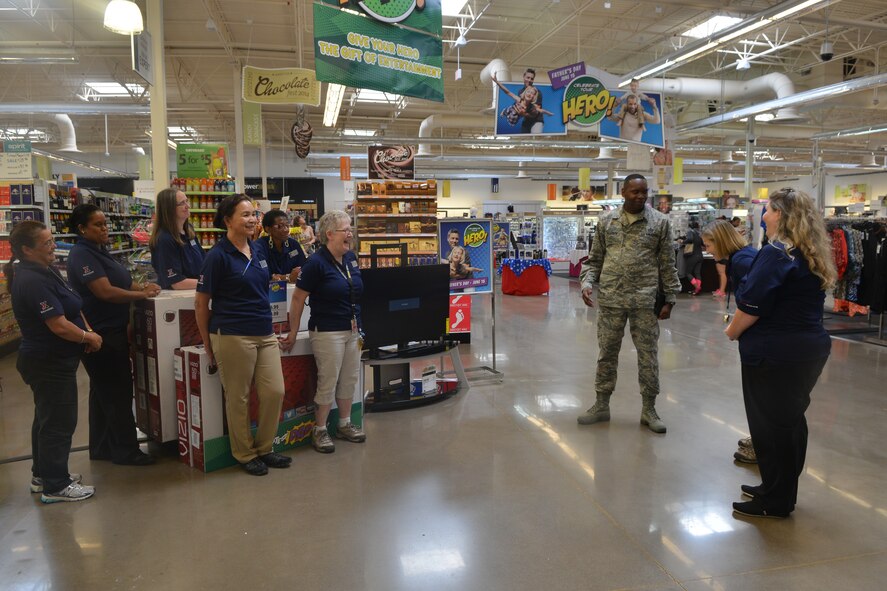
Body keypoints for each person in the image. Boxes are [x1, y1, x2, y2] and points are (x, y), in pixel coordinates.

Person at [725, 188, 836, 519]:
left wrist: (732, 331)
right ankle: (778, 489)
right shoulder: (809, 252)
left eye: (769, 210)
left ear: (782, 215)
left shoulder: (776, 253)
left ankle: (775, 501)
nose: (764, 216)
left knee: (770, 427)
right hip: (807, 349)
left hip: (773, 352)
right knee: (789, 422)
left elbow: (752, 305)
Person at [7, 221, 103, 503]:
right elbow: (58, 325)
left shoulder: (43, 271)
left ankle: (43, 475)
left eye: (52, 240)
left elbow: (71, 306)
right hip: (48, 362)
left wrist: (85, 333)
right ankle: (56, 485)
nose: (53, 247)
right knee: (59, 424)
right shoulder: (33, 280)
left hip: (51, 359)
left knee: (46, 419)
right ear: (27, 250)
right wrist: (87, 337)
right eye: (47, 243)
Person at [577, 174, 681, 433]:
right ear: (623, 192)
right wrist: (586, 283)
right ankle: (601, 404)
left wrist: (670, 298)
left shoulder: (660, 222)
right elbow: (595, 259)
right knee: (606, 354)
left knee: (648, 356)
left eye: (644, 191)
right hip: (611, 298)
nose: (640, 196)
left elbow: (667, 264)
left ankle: (649, 409)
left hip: (645, 301)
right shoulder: (606, 221)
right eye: (635, 191)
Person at [195, 195, 289, 476]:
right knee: (239, 398)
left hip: (264, 331)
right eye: (245, 215)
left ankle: (265, 447)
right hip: (232, 334)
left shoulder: (258, 250)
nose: (252, 220)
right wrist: (208, 344)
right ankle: (245, 454)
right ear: (228, 220)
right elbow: (201, 303)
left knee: (275, 391)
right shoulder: (217, 256)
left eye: (254, 215)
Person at [67, 204, 161, 466]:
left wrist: (143, 287)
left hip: (112, 329)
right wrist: (139, 295)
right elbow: (104, 292)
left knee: (102, 393)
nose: (105, 228)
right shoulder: (82, 254)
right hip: (102, 334)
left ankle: (102, 447)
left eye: (105, 223)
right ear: (82, 229)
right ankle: (126, 451)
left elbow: (123, 281)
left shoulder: (100, 250)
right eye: (98, 225)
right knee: (117, 392)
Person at [279, 210, 366, 454]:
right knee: (328, 380)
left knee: (349, 378)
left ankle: (344, 424)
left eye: (350, 229)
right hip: (328, 331)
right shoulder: (315, 263)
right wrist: (293, 332)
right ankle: (319, 429)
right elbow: (298, 299)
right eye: (345, 230)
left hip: (353, 329)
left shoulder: (350, 258)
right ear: (329, 234)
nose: (350, 234)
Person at [702, 219, 758, 462]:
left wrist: (734, 329)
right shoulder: (743, 257)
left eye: (708, 245)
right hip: (763, 335)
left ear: (720, 241)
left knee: (760, 397)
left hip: (762, 337)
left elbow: (754, 302)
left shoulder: (743, 262)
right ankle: (760, 438)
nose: (708, 250)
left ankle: (762, 444)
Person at [149, 187, 205, 289]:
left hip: (195, 290)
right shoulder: (164, 239)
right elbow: (176, 283)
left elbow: (203, 260)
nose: (188, 206)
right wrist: (209, 282)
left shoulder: (189, 230)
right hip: (177, 295)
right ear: (169, 209)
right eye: (182, 203)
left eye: (187, 201)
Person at [257, 209, 306, 283]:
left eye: (287, 225)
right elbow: (261, 274)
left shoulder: (293, 245)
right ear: (268, 229)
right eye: (280, 226)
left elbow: (303, 269)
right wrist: (287, 277)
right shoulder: (260, 247)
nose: (286, 230)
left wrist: (281, 277)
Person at [682, 221, 704, 295]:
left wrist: (683, 241)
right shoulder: (699, 233)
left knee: (688, 273)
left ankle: (697, 287)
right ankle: (697, 290)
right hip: (700, 256)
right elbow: (703, 243)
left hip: (692, 256)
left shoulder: (690, 232)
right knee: (697, 273)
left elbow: (690, 239)